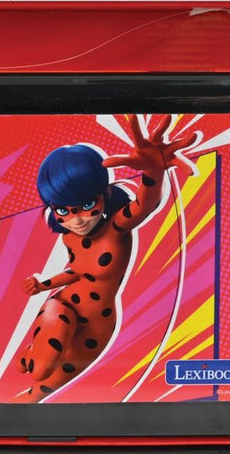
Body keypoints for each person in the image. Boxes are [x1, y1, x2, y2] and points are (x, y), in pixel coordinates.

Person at [15, 114, 196, 402]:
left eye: (87, 205)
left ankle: (29, 364)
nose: (77, 219)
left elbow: (145, 205)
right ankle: (31, 357)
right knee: (40, 369)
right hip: (62, 306)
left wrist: (154, 169)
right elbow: (77, 271)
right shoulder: (69, 237)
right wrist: (43, 284)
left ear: (105, 194)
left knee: (37, 392)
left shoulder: (116, 228)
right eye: (63, 211)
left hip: (97, 325)